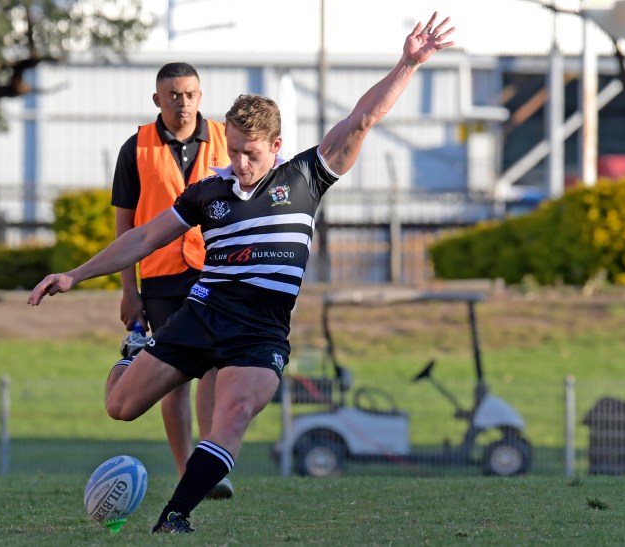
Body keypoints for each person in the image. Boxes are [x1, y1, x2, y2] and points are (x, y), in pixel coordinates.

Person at [28, 12, 454, 534]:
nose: (239, 163)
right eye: (232, 150)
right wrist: (75, 275)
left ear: (276, 146)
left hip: (260, 332)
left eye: (250, 154)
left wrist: (407, 63)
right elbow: (141, 238)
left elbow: (361, 119)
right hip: (203, 314)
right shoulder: (209, 191)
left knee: (233, 417)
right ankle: (136, 350)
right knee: (120, 407)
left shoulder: (305, 177)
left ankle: (174, 518)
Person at [110, 62, 233, 499]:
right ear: (157, 99)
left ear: (201, 96)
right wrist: (129, 290)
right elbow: (125, 229)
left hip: (216, 270)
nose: (182, 103)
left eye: (190, 94)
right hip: (161, 278)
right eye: (173, 95)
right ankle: (187, 473)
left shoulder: (225, 139)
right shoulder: (136, 148)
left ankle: (209, 465)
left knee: (217, 366)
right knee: (173, 377)